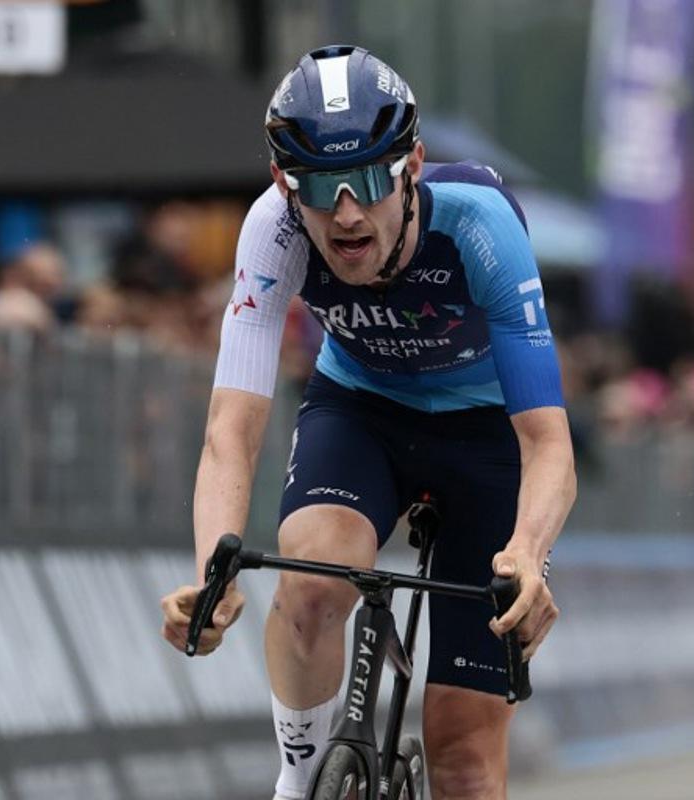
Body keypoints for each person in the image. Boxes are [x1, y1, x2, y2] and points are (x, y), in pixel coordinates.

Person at [160, 45, 576, 800]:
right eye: (320, 185)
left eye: (371, 180)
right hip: (363, 413)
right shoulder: (272, 231)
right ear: (287, 184)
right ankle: (299, 783)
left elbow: (548, 443)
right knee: (312, 581)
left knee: (464, 759)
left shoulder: (480, 225)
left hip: (485, 435)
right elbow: (231, 428)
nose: (347, 212)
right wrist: (209, 573)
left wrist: (528, 548)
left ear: (413, 164)